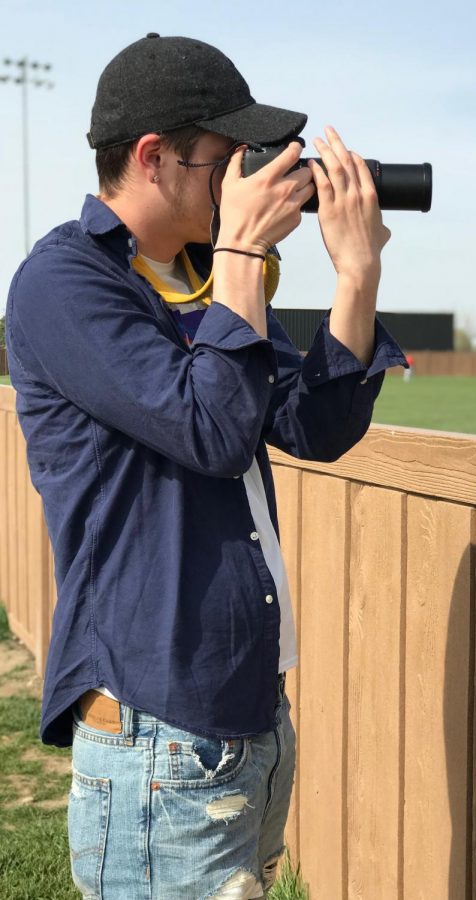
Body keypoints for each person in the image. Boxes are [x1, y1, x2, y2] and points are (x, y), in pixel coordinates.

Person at [5, 33, 406, 899]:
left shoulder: (203, 279)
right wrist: (239, 263)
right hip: (161, 728)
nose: (248, 181)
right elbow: (212, 431)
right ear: (154, 158)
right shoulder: (64, 285)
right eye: (229, 160)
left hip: (247, 716)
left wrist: (356, 273)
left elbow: (315, 425)